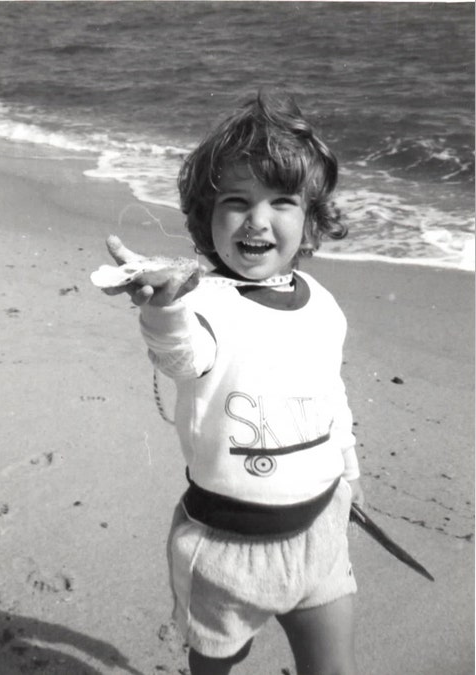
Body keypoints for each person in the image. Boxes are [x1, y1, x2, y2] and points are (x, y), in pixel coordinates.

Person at [102, 91, 362, 675]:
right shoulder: (203, 304)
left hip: (321, 530)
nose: (258, 220)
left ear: (312, 217)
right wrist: (165, 309)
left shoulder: (324, 305)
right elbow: (182, 356)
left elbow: (332, 394)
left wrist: (350, 471)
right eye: (236, 201)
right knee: (216, 665)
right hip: (226, 550)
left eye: (282, 203)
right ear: (206, 215)